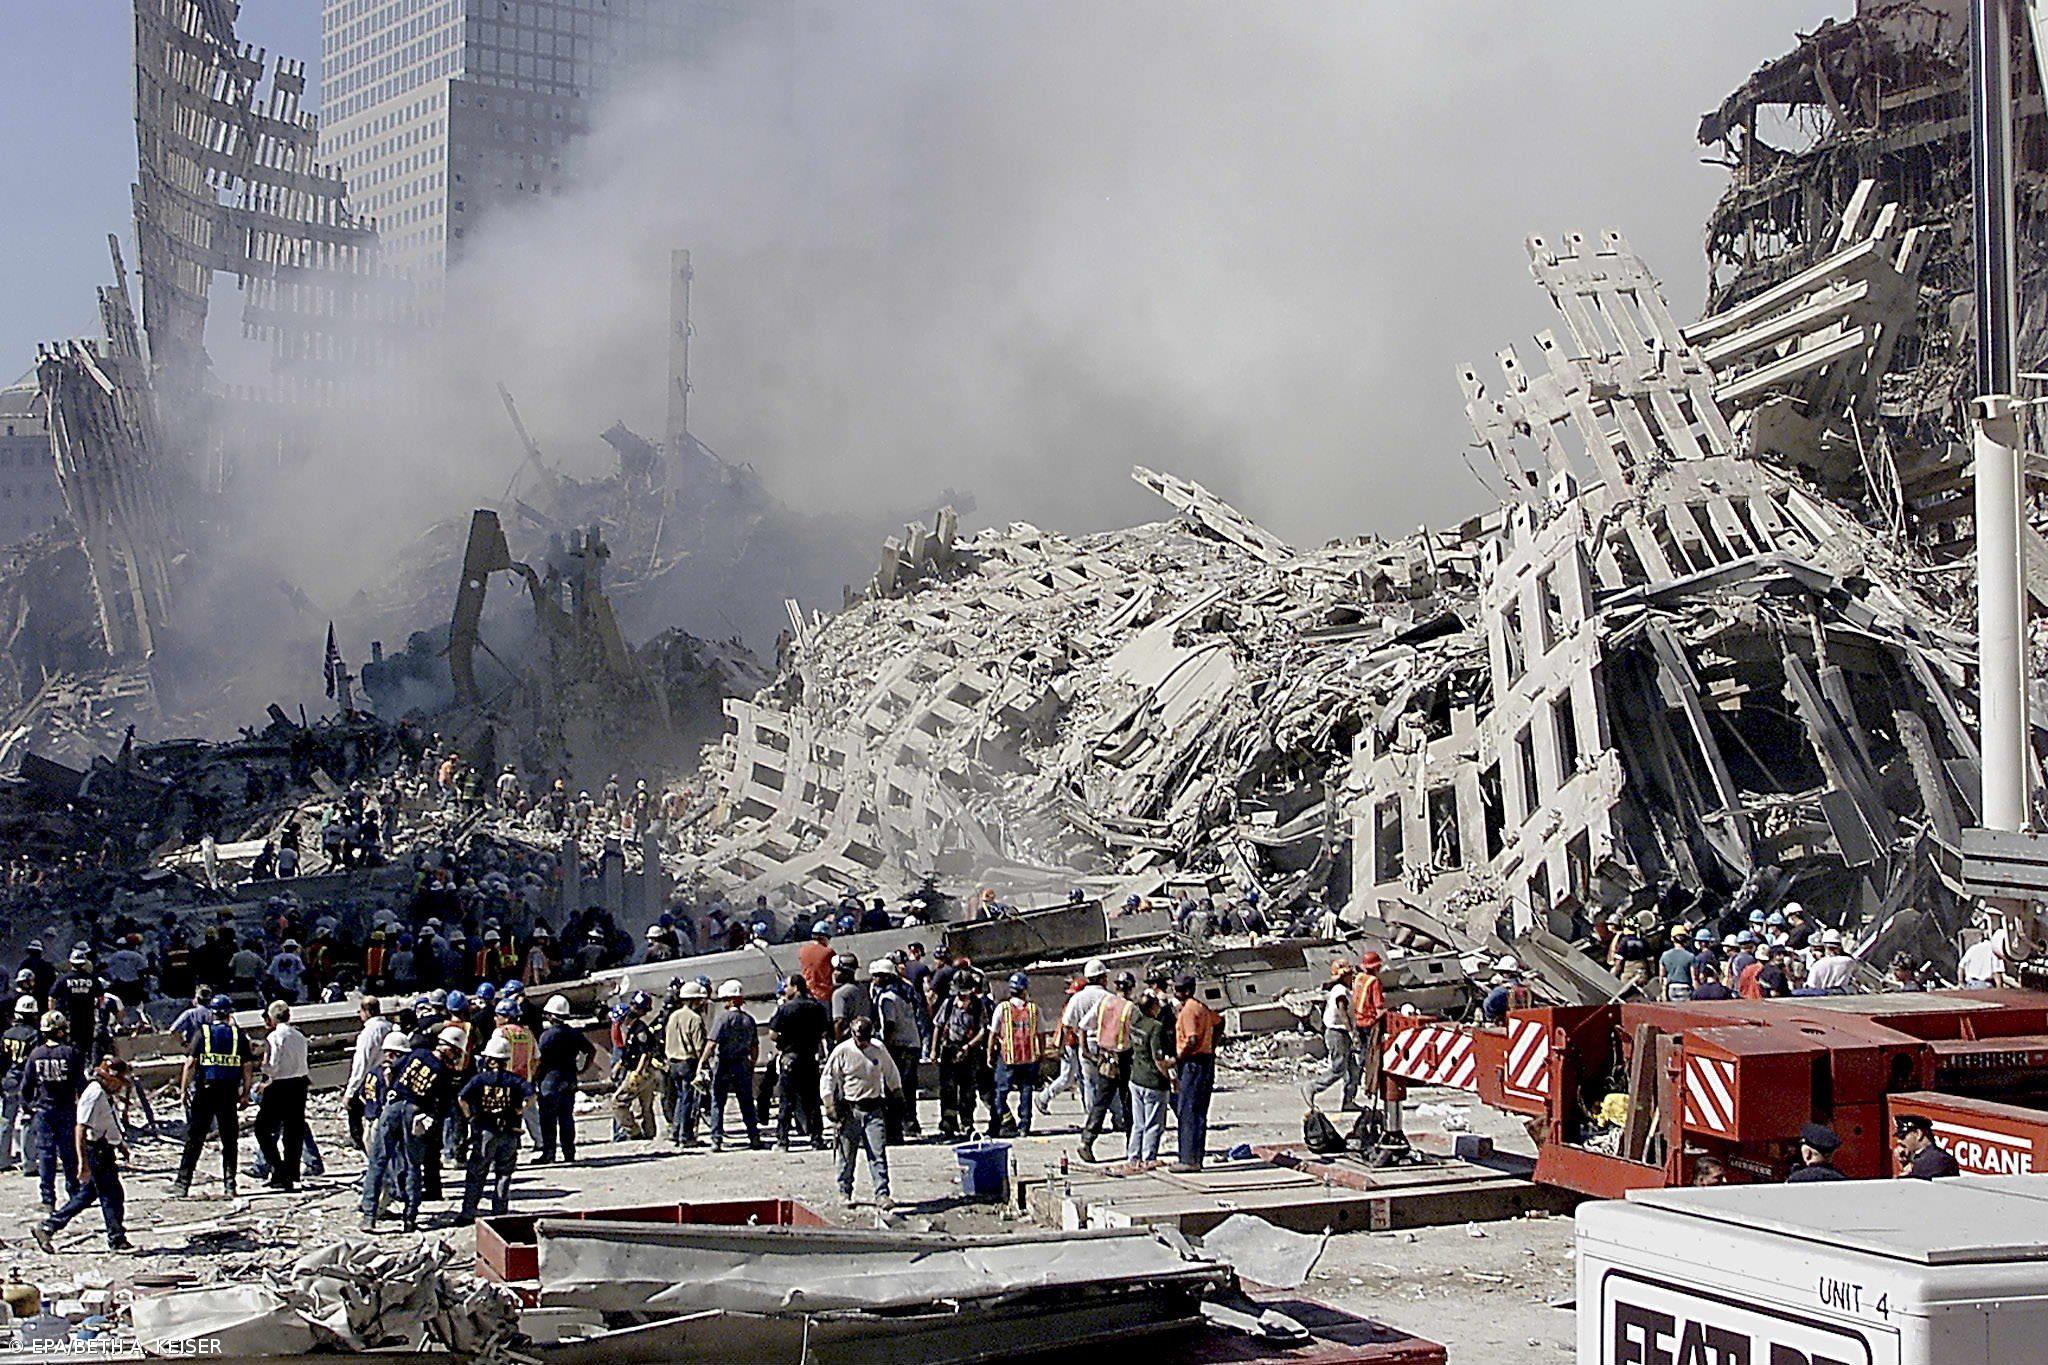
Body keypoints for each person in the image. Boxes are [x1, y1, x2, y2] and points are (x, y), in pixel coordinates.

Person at [33, 1056, 132, 1252]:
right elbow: (81, 1128)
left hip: (105, 1148)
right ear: (109, 1078)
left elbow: (108, 1122)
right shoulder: (93, 1094)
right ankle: (117, 1238)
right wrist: (83, 1163)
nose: (120, 1087)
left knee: (87, 1195)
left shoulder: (104, 1094)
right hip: (96, 1151)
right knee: (111, 1194)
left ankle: (49, 1226)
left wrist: (120, 1144)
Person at [173, 995, 251, 1198]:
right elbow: (247, 1067)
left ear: (212, 1013)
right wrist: (246, 1093)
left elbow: (190, 1064)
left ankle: (183, 1183)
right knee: (229, 1139)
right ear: (229, 1013)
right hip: (228, 1092)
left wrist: (183, 1091)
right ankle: (230, 1184)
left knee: (195, 1138)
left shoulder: (203, 1033)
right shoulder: (238, 1036)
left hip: (205, 1091)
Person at [824, 1016, 902, 1209]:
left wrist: (897, 1093)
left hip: (874, 1108)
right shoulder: (842, 1051)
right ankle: (845, 1191)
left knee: (877, 1152)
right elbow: (828, 1078)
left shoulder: (878, 1049)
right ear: (852, 1034)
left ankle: (882, 1193)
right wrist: (829, 1105)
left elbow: (891, 1072)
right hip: (850, 1110)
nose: (863, 1043)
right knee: (846, 1154)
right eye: (860, 1039)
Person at [458, 1035, 532, 1221]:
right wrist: (519, 1110)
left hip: (485, 1132)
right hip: (509, 1132)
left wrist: (471, 1118)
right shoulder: (515, 1081)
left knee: (476, 1174)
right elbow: (531, 1096)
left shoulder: (479, 1080)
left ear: (489, 1060)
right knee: (504, 1173)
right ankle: (500, 1213)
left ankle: (468, 1212)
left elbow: (462, 1098)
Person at [21, 1011, 84, 1210]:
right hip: (66, 1110)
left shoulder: (36, 1054)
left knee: (46, 1155)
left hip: (44, 1110)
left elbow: (27, 1086)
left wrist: (27, 1107)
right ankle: (73, 1193)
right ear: (60, 1031)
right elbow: (81, 1084)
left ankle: (48, 1198)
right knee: (68, 1154)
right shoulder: (70, 1053)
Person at [1080, 971, 1138, 1163]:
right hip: (1124, 1059)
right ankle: (1133, 1148)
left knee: (1101, 1102)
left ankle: (1086, 1141)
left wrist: (1087, 1051)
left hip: (1105, 1058)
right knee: (1129, 1104)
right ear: (1130, 988)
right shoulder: (1131, 1008)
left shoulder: (1104, 1003)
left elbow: (1083, 1024)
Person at [253, 1001, 311, 1191]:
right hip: (299, 1084)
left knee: (262, 1128)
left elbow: (273, 1065)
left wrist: (263, 1073)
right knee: (293, 1131)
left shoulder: (275, 1036)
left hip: (280, 1086)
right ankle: (292, 1172)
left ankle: (279, 1169)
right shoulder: (299, 1035)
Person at [768, 976, 829, 1150]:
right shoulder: (817, 1007)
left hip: (790, 1058)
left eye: (787, 986)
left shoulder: (785, 1008)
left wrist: (782, 1041)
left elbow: (773, 1033)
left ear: (795, 987)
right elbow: (824, 1032)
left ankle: (783, 1140)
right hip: (810, 1058)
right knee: (812, 1101)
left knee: (786, 1101)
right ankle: (817, 1138)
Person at [357, 1031, 410, 1230]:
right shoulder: (391, 1074)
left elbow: (362, 1095)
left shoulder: (372, 1071)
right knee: (389, 1166)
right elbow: (390, 1100)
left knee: (375, 1164)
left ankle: (374, 1206)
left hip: (369, 1121)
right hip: (382, 1122)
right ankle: (380, 1205)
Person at [701, 980, 762, 1151]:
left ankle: (716, 1139)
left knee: (718, 1102)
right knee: (747, 1102)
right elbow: (755, 1047)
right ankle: (754, 1137)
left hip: (724, 1064)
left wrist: (702, 1062)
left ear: (730, 1000)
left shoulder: (723, 1019)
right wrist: (752, 1064)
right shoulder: (749, 1020)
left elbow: (712, 1043)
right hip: (742, 1064)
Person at [533, 995, 593, 1164]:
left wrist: (533, 1078)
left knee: (548, 1119)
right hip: (569, 1079)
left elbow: (539, 1060)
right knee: (566, 1117)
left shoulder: (547, 1036)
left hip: (549, 1082)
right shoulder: (574, 1034)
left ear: (551, 1015)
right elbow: (591, 1051)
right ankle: (569, 1152)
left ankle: (549, 1154)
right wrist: (583, 1069)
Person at [1171, 975, 1221, 1173]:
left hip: (1193, 1063)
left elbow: (1191, 1039)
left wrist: (1179, 1057)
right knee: (1199, 1111)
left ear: (1185, 991)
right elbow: (1219, 1023)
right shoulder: (1201, 1007)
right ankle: (1196, 1156)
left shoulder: (1189, 1010)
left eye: (1177, 989)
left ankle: (1188, 1159)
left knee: (1189, 1110)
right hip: (1205, 1060)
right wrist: (1212, 1045)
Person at [869, 959, 923, 1141]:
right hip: (912, 1044)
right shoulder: (903, 992)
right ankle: (910, 1124)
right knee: (908, 1088)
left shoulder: (887, 998)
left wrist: (886, 1049)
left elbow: (889, 1024)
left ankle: (898, 1128)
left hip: (900, 1047)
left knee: (896, 1089)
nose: (874, 980)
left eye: (876, 976)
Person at [933, 972, 990, 1139]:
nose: (962, 995)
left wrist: (968, 1047)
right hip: (949, 1051)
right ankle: (948, 1122)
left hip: (970, 1053)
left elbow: (982, 1030)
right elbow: (938, 1025)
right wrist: (934, 1050)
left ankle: (967, 1122)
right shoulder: (949, 1004)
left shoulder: (978, 1005)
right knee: (948, 1088)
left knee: (968, 1090)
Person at [987, 973, 1042, 1139]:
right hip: (1028, 1056)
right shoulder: (1034, 1009)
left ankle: (1001, 1122)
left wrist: (990, 1054)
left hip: (1008, 1057)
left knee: (1000, 1092)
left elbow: (993, 1034)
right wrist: (1041, 1053)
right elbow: (1040, 1033)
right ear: (1024, 989)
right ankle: (1024, 1125)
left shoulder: (1002, 1008)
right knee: (1026, 1091)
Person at [1126, 989, 1174, 1167]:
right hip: (1152, 1081)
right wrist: (1169, 1077)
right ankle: (1149, 1157)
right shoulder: (1155, 1027)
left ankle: (1133, 1156)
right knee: (1154, 1123)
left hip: (1136, 1077)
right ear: (1153, 1007)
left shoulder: (1136, 1024)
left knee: (1138, 1123)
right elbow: (1158, 1058)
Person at [1306, 960, 1359, 1111]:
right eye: (1349, 975)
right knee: (1339, 1068)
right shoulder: (1340, 991)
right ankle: (1313, 1087)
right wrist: (1352, 1032)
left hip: (1342, 1032)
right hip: (1337, 1032)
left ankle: (1348, 1101)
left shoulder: (1346, 990)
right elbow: (1342, 1013)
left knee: (1353, 1069)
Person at [664, 980, 711, 1146]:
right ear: (693, 1000)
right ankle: (686, 1136)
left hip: (673, 1063)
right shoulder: (695, 1019)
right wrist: (704, 1065)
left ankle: (675, 1132)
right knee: (688, 1100)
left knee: (679, 1098)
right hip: (687, 1062)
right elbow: (699, 1047)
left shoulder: (673, 1016)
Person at [611, 993, 660, 1140]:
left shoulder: (639, 1030)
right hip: (641, 1070)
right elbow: (628, 1053)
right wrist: (619, 1065)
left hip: (641, 1071)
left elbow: (646, 1053)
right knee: (644, 1106)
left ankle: (633, 1131)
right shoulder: (632, 1029)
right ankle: (649, 1134)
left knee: (618, 1101)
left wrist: (637, 1073)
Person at [1350, 951, 1387, 1100]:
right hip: (1369, 1022)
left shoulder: (1358, 978)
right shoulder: (1374, 982)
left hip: (1357, 1020)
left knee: (1362, 1053)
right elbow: (1378, 1006)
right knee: (1372, 1056)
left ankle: (1357, 1079)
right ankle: (1370, 1085)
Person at [1895, 1114, 1960, 1179]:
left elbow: (1910, 1185)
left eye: (1902, 1136)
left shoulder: (1938, 1160)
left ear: (1918, 1134)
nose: (1899, 1141)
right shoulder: (1917, 1157)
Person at [829, 955, 871, 1041]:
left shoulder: (839, 994)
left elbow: (839, 1022)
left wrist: (838, 1042)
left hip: (849, 1039)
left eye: (837, 970)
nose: (834, 973)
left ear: (846, 973)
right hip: (865, 1036)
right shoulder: (862, 988)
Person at [798, 922, 835, 1003]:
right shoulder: (828, 952)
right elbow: (834, 972)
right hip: (824, 994)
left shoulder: (802, 950)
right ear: (824, 937)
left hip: (808, 993)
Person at [1658, 933, 1697, 1003]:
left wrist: (1662, 991)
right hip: (1686, 987)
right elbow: (1694, 977)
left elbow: (1662, 975)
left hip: (1672, 987)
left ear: (1672, 939)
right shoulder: (1690, 956)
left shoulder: (1665, 955)